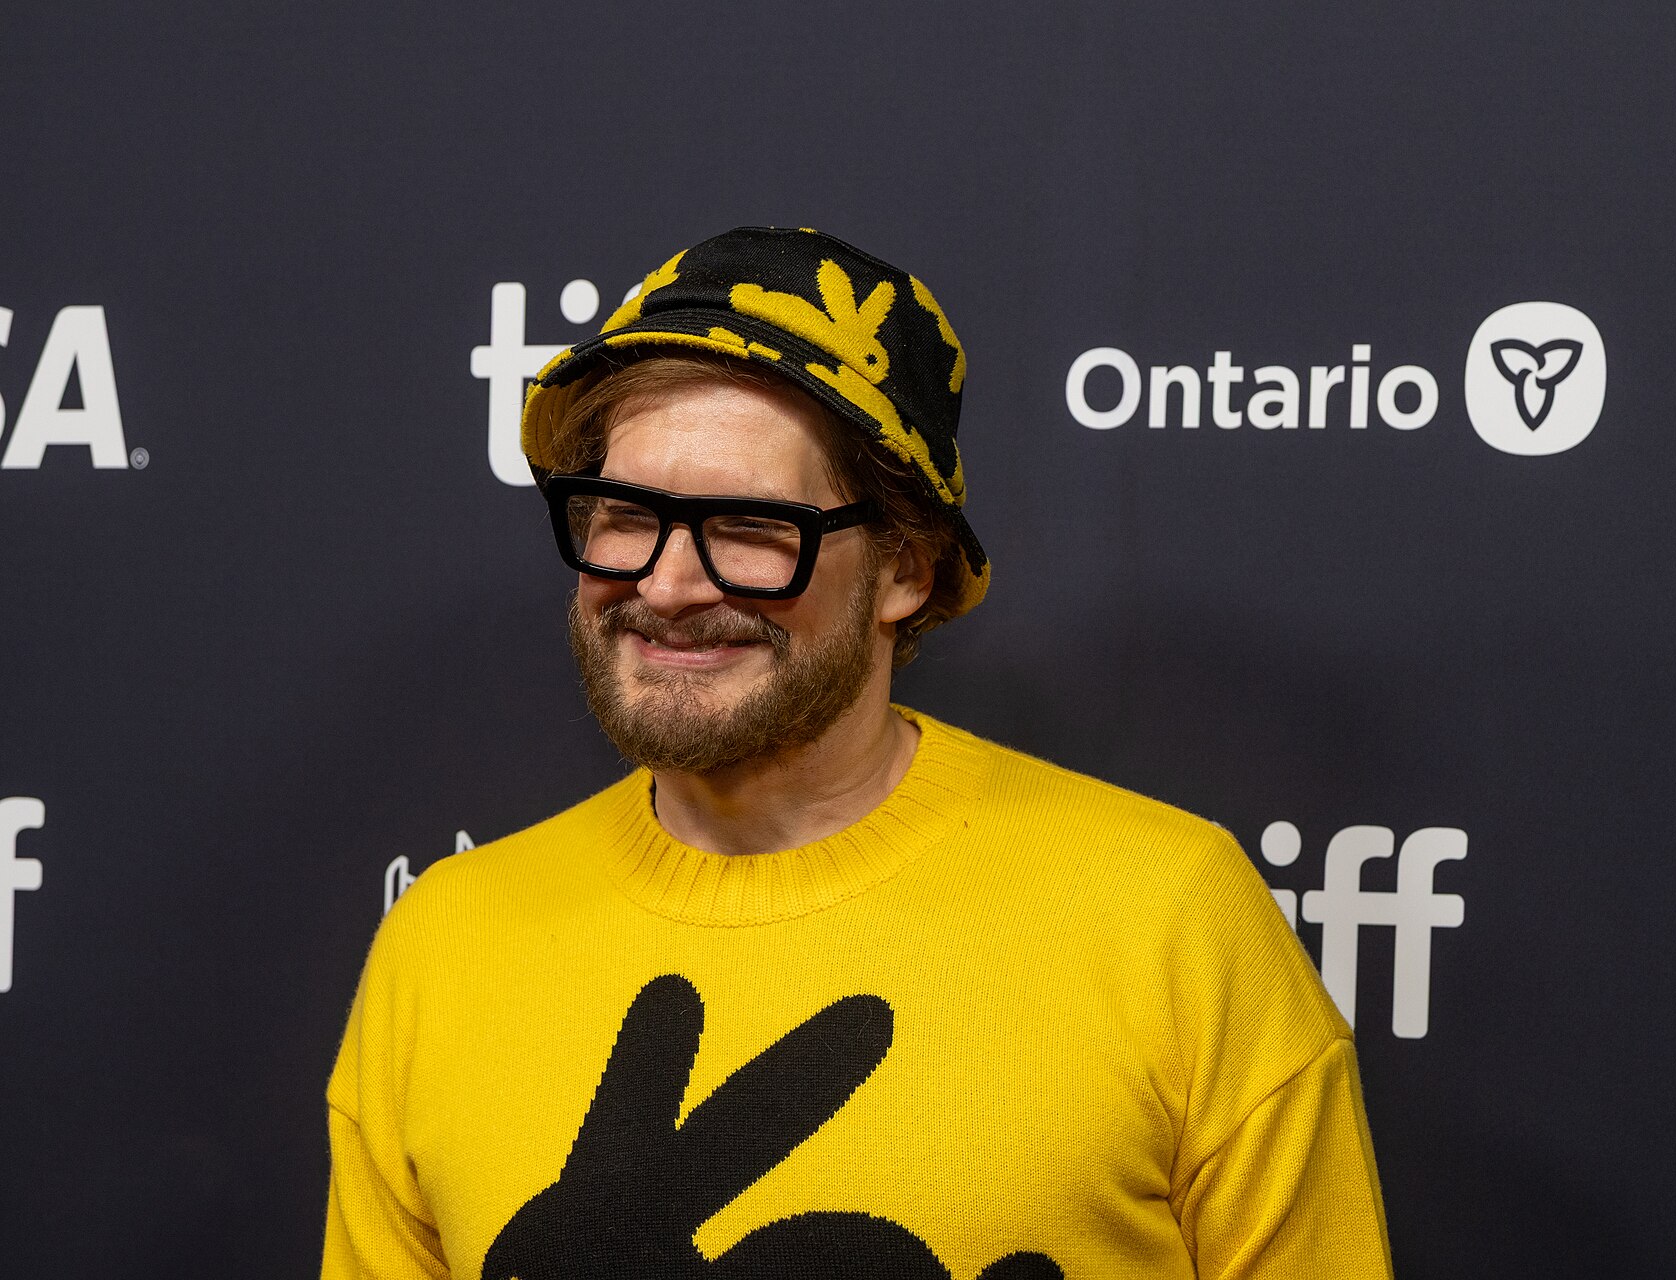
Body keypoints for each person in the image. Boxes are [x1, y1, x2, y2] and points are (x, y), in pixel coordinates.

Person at [322, 226, 1394, 1278]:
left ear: (905, 569)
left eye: (748, 526)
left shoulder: (1173, 918)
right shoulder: (442, 942)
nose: (665, 582)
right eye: (623, 512)